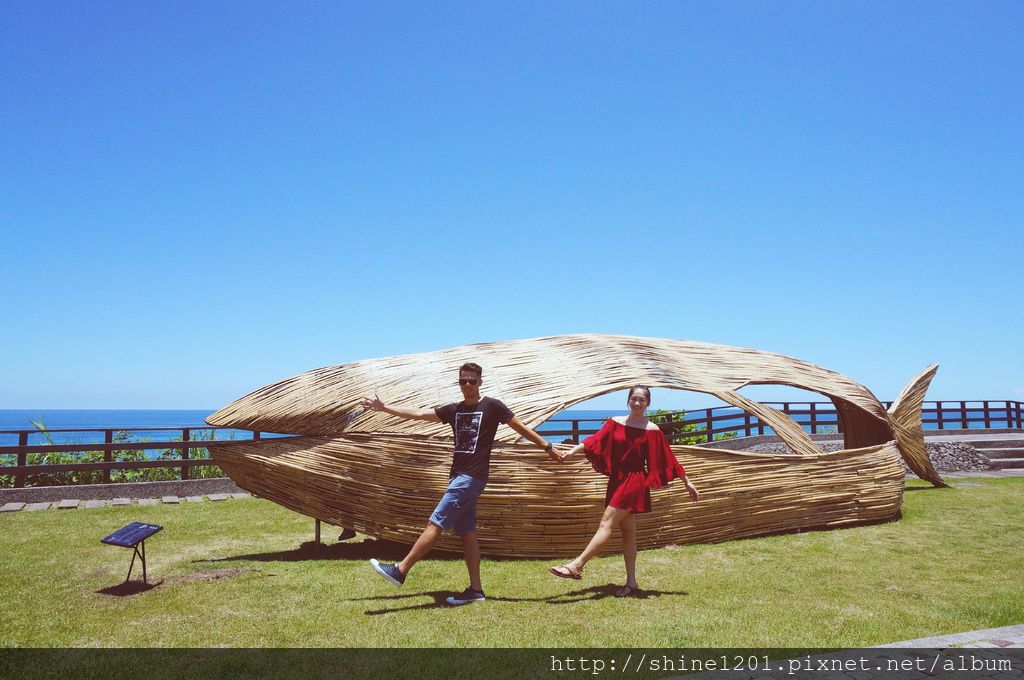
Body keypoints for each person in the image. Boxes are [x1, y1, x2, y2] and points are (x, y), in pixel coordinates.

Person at [361, 361, 560, 605]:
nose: (467, 385)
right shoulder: (454, 410)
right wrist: (384, 408)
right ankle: (476, 590)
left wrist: (547, 446)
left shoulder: (492, 406)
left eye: (471, 381)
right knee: (467, 533)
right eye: (463, 381)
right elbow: (420, 414)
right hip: (458, 476)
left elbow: (521, 427)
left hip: (471, 478)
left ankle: (400, 570)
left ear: (480, 382)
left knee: (436, 522)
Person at [548, 385, 700, 597]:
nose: (637, 403)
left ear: (648, 403)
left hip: (634, 481)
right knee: (628, 532)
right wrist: (572, 451)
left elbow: (669, 459)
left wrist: (687, 481)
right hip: (617, 480)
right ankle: (632, 582)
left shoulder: (652, 430)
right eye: (634, 399)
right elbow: (594, 441)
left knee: (606, 523)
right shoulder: (615, 423)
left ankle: (577, 565)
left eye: (642, 400)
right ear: (628, 400)